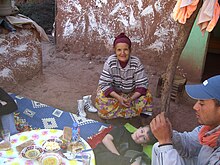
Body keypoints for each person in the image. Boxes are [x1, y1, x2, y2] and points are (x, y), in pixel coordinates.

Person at [150, 75, 220, 165]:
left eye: (202, 104)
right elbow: (190, 142)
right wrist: (169, 134)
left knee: (164, 148)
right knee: (158, 148)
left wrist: (165, 142)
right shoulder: (209, 128)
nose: (195, 107)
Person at [95, 33, 153, 119]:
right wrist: (118, 98)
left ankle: (128, 111)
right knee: (100, 96)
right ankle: (129, 112)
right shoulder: (110, 62)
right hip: (115, 93)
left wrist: (131, 99)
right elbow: (104, 84)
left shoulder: (136, 62)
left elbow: (142, 85)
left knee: (147, 96)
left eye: (125, 49)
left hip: (131, 94)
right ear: (115, 50)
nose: (122, 53)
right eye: (119, 50)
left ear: (130, 50)